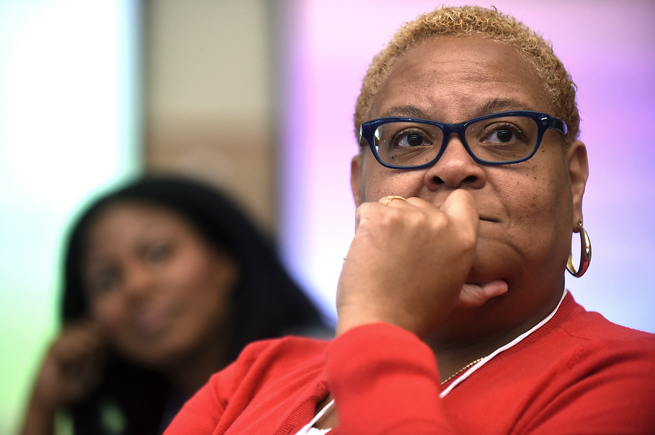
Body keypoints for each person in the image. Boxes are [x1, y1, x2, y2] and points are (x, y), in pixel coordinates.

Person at [164, 5, 655, 434]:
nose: (452, 166)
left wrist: (377, 329)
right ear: (361, 189)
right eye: (411, 140)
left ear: (572, 185)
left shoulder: (630, 377)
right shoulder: (254, 375)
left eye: (503, 134)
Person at [20, 175, 331, 435]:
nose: (136, 287)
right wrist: (42, 408)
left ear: (226, 261)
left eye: (158, 253)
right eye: (106, 281)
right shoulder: (166, 412)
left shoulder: (325, 371)